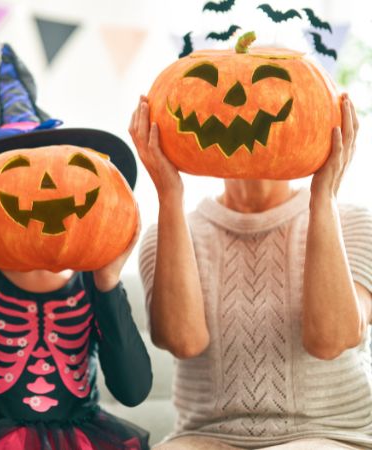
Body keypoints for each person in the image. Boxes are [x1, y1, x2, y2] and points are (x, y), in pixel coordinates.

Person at [0, 44, 152, 450]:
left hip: (82, 435)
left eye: (60, 174)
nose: (42, 189)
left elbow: (133, 390)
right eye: (15, 174)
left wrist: (109, 283)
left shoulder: (94, 279)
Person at [132, 92, 372, 449]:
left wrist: (323, 197)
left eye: (266, 98)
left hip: (329, 433)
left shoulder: (352, 222)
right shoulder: (167, 232)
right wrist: (169, 195)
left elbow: (330, 339)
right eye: (224, 100)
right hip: (204, 437)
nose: (240, 105)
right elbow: (184, 341)